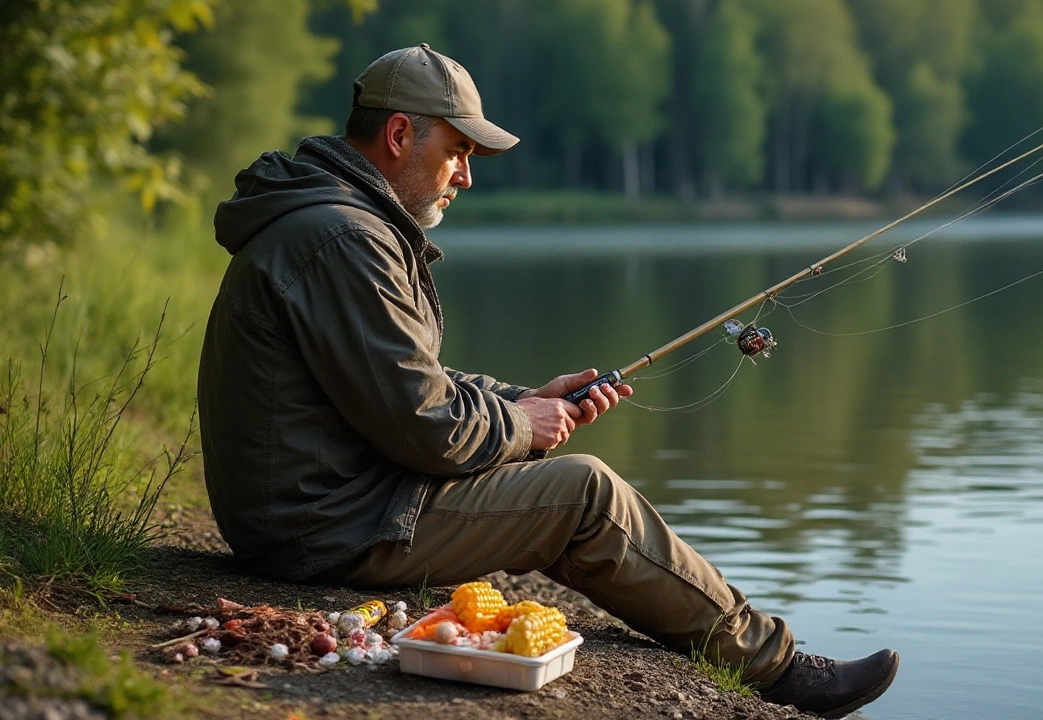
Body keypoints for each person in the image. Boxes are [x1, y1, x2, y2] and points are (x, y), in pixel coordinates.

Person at [198, 44, 898, 717]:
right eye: (459, 151)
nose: (467, 176)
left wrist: (519, 401)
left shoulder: (333, 220)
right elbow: (425, 427)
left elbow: (410, 382)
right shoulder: (344, 238)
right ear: (400, 134)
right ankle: (777, 669)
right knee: (584, 495)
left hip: (316, 503)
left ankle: (761, 653)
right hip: (321, 525)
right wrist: (521, 428)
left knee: (562, 475)